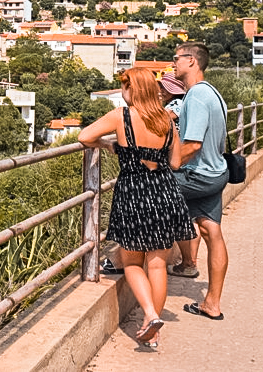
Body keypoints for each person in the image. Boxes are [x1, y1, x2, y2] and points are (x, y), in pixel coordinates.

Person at [79, 68, 196, 347]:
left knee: (131, 262)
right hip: (164, 191)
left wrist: (110, 146)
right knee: (157, 264)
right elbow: (175, 163)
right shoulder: (166, 119)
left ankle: (150, 314)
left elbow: (85, 136)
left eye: (124, 87)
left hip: (133, 192)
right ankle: (152, 330)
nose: (122, 92)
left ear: (132, 89)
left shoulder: (121, 116)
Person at [168, 42, 230, 322]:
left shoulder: (195, 96)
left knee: (143, 190)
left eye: (176, 58)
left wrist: (165, 166)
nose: (173, 63)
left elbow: (192, 145)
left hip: (198, 175)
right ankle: (211, 303)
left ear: (192, 61)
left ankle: (121, 261)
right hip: (216, 173)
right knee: (211, 231)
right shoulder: (213, 93)